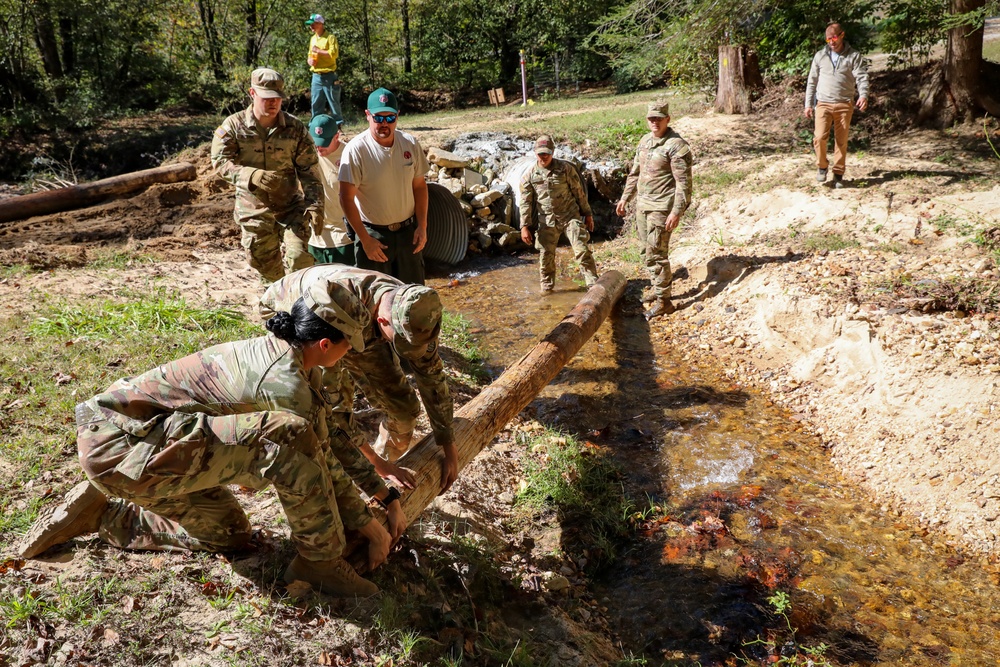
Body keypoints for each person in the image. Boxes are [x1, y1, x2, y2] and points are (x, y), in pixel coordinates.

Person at [19, 291, 405, 598]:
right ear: (324, 343)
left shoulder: (291, 355)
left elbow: (331, 435)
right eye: (347, 344)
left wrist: (383, 495)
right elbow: (320, 456)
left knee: (230, 535)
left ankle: (107, 517)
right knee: (290, 439)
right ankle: (320, 563)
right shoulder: (283, 384)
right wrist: (369, 526)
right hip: (123, 449)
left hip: (140, 443)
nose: (350, 352)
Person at [260, 265, 459, 493]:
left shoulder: (415, 310)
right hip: (300, 315)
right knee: (321, 417)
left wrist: (448, 445)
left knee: (403, 409)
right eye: (400, 344)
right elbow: (335, 410)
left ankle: (372, 468)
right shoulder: (334, 314)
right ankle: (343, 478)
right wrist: (377, 464)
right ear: (384, 321)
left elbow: (432, 375)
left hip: (362, 326)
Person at [211, 68, 321, 282]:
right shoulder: (234, 126)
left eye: (277, 98)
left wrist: (316, 204)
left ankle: (299, 306)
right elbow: (220, 161)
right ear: (252, 94)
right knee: (266, 268)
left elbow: (309, 170)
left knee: (300, 258)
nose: (273, 103)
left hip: (289, 206)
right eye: (266, 98)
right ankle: (277, 305)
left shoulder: (294, 128)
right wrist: (249, 175)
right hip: (253, 210)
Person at [339, 88, 430, 285]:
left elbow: (420, 187)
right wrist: (364, 239)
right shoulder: (356, 149)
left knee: (413, 297)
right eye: (378, 118)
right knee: (375, 301)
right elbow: (346, 198)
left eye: (390, 118)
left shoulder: (410, 144)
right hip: (374, 235)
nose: (384, 124)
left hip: (408, 233)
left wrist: (422, 226)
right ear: (367, 116)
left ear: (397, 116)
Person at [616, 100, 693, 319]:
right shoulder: (644, 142)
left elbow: (684, 184)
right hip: (643, 206)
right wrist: (625, 199)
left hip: (662, 208)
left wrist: (677, 211)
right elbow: (635, 174)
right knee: (645, 251)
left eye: (659, 118)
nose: (655, 122)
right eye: (651, 118)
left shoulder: (677, 146)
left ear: (668, 119)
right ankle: (657, 288)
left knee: (656, 253)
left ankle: (664, 301)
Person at [518, 136, 599, 293]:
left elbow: (578, 192)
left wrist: (587, 214)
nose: (544, 157)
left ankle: (593, 285)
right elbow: (525, 202)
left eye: (547, 153)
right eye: (540, 154)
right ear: (535, 153)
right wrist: (524, 226)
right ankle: (547, 289)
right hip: (546, 221)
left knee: (581, 250)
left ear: (552, 152)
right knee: (545, 257)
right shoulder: (529, 175)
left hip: (570, 216)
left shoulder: (565, 169)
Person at [805, 22, 869, 189]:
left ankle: (838, 174)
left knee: (841, 141)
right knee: (819, 138)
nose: (831, 42)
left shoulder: (854, 56)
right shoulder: (820, 56)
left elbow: (861, 77)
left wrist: (863, 95)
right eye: (828, 39)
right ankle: (822, 166)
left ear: (842, 35)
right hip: (823, 103)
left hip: (844, 104)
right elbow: (812, 81)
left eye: (834, 37)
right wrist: (808, 104)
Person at [307, 114, 355, 266]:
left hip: (343, 238)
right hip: (314, 237)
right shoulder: (305, 154)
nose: (319, 148)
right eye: (316, 142)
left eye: (324, 143)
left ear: (337, 136)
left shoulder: (351, 155)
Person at [305, 14, 343, 125]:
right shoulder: (312, 39)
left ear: (320, 24)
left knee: (333, 102)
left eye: (313, 24)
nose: (311, 26)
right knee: (315, 102)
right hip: (316, 76)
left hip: (329, 75)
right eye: (310, 24)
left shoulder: (330, 38)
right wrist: (310, 61)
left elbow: (334, 54)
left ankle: (338, 126)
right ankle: (316, 127)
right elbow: (309, 55)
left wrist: (318, 50)